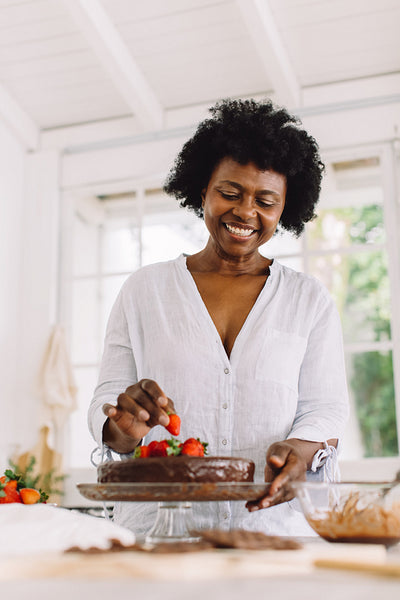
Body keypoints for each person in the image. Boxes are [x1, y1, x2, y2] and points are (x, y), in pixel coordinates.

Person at [88, 98, 349, 536]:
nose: (246, 212)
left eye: (265, 201)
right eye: (230, 193)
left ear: (285, 208)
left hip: (274, 531)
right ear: (202, 190)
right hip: (161, 532)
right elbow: (106, 403)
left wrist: (300, 452)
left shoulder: (309, 299)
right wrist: (122, 425)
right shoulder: (144, 290)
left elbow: (325, 409)